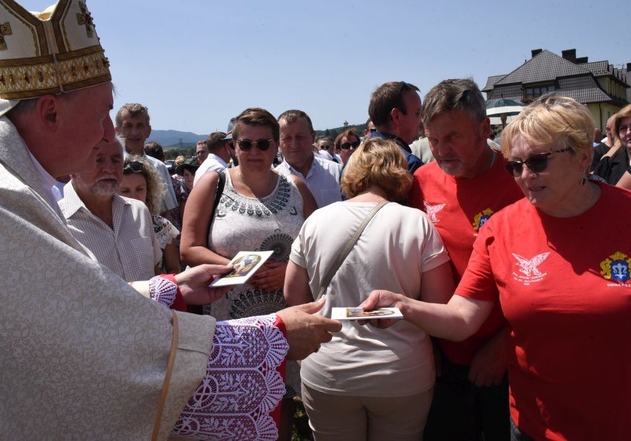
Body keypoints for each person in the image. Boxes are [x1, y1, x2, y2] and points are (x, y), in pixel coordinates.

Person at [0, 0, 340, 439]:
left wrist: (170, 289)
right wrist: (274, 336)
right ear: (50, 112)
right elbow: (89, 348)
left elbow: (61, 306)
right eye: (102, 117)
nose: (107, 137)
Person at [360, 95, 631, 440]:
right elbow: (463, 317)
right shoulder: (501, 228)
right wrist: (403, 306)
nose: (524, 176)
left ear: (583, 157)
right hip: (537, 426)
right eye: (515, 165)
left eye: (538, 162)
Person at [284, 138, 454, 440]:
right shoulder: (417, 223)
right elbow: (439, 306)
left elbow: (293, 297)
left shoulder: (317, 221)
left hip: (328, 368)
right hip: (400, 372)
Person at [180, 107, 318, 440]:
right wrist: (240, 270)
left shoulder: (296, 186)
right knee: (230, 403)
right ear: (233, 147)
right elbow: (188, 246)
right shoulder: (214, 182)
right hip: (226, 316)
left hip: (283, 314)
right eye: (245, 144)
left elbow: (319, 246)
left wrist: (290, 272)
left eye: (263, 144)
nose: (254, 152)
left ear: (276, 147)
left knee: (279, 400)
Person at [410, 78, 523, 440]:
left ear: (484, 129)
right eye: (434, 140)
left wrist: (504, 347)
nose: (442, 151)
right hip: (442, 360)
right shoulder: (421, 182)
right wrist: (427, 344)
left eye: (452, 137)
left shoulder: (520, 182)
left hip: (506, 361)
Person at [59, 139, 162, 282]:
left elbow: (154, 272)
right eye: (98, 160)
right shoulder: (56, 222)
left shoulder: (139, 211)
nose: (109, 168)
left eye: (116, 160)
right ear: (72, 168)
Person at [119, 154, 182, 273]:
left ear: (149, 190)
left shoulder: (162, 226)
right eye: (125, 191)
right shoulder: (106, 227)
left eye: (139, 189)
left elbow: (174, 270)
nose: (133, 196)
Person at [115, 103, 179, 218]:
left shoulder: (159, 167)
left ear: (148, 131)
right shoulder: (110, 167)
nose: (134, 132)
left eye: (139, 125)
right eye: (128, 126)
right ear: (117, 131)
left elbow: (165, 213)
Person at [276, 109, 342, 207]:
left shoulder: (337, 173)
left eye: (300, 136)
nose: (294, 144)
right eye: (287, 138)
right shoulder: (273, 183)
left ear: (313, 137)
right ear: (278, 142)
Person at [368, 81, 423, 173]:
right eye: (417, 114)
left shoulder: (352, 163)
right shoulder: (409, 166)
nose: (421, 121)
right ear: (396, 116)